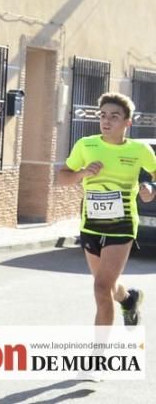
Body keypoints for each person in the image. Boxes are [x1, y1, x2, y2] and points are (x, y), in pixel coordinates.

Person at [58, 92, 156, 326]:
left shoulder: (139, 150)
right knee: (107, 287)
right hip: (91, 224)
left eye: (114, 116)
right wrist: (82, 173)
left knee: (101, 288)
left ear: (127, 122)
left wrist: (150, 188)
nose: (107, 121)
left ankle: (100, 356)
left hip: (122, 225)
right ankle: (129, 299)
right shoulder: (86, 145)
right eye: (103, 116)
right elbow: (62, 178)